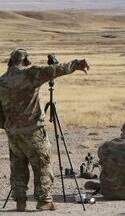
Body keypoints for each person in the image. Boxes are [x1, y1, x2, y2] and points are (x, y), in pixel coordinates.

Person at [0, 49, 89, 211]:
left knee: (18, 166)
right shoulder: (30, 74)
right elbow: (56, 69)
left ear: (10, 62)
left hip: (13, 132)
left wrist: (7, 125)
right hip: (33, 130)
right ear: (25, 61)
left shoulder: (2, 80)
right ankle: (44, 200)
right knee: (42, 164)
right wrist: (77, 64)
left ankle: (20, 201)